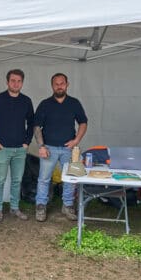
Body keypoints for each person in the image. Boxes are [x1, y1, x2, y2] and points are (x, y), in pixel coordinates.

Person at [33, 73, 88, 222]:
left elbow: (83, 122)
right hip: (48, 148)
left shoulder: (74, 103)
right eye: (56, 84)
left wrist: (76, 140)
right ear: (52, 86)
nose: (59, 86)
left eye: (62, 83)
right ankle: (41, 206)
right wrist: (41, 146)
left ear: (67, 84)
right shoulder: (45, 104)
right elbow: (37, 126)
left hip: (68, 149)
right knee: (44, 179)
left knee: (70, 179)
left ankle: (68, 206)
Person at [0, 69, 35, 222]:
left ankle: (14, 208)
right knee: (0, 180)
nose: (16, 83)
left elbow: (32, 122)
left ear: (22, 83)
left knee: (17, 180)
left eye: (19, 81)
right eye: (13, 80)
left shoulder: (26, 101)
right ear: (7, 82)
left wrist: (27, 142)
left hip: (20, 149)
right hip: (2, 148)